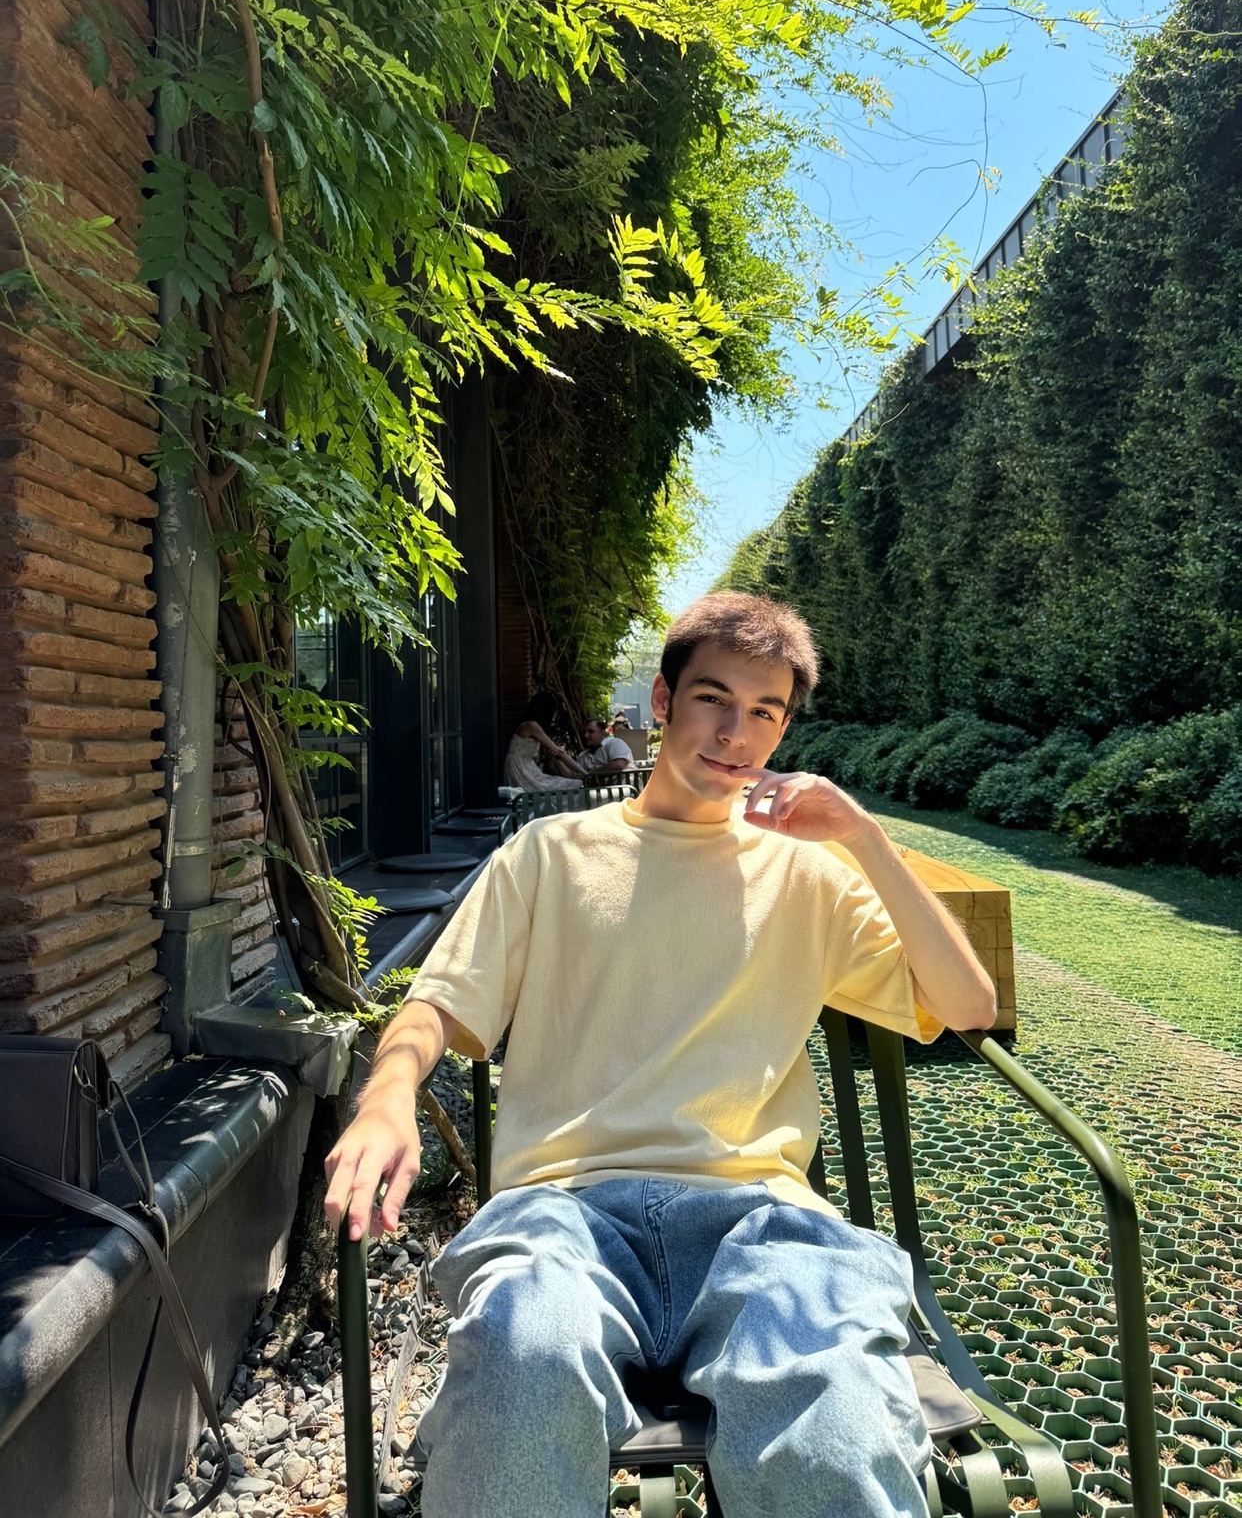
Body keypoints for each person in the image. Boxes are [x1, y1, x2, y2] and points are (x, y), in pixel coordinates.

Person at [325, 592, 997, 1518]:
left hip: (764, 1224)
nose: (736, 733)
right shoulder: (549, 854)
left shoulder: (808, 877)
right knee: (527, 1358)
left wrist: (863, 836)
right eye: (713, 699)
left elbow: (968, 1005)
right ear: (663, 698)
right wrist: (387, 1095)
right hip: (564, 1217)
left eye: (766, 712)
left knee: (833, 1414)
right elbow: (436, 1006)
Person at [501, 692, 584, 792]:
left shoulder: (531, 726)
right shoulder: (531, 726)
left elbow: (556, 753)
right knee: (569, 786)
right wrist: (585, 773)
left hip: (527, 767)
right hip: (522, 769)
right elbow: (559, 752)